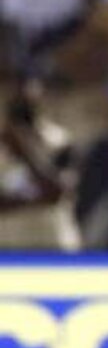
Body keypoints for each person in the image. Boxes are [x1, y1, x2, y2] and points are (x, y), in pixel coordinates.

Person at [0, 78, 81, 250]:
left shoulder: (60, 141)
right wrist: (34, 197)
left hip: (53, 244)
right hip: (10, 247)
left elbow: (56, 192)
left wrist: (23, 154)